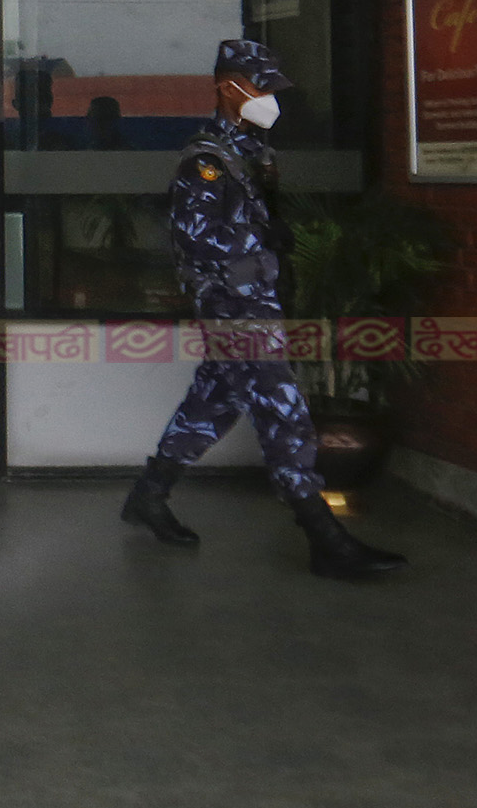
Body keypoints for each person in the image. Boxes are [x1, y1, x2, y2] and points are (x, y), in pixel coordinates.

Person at [120, 38, 404, 582]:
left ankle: (150, 494)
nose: (270, 98)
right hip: (232, 302)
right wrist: (258, 241)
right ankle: (324, 538)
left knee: (216, 400)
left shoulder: (252, 153)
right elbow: (192, 238)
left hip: (255, 297)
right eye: (261, 87)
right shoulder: (206, 161)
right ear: (229, 88)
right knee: (283, 408)